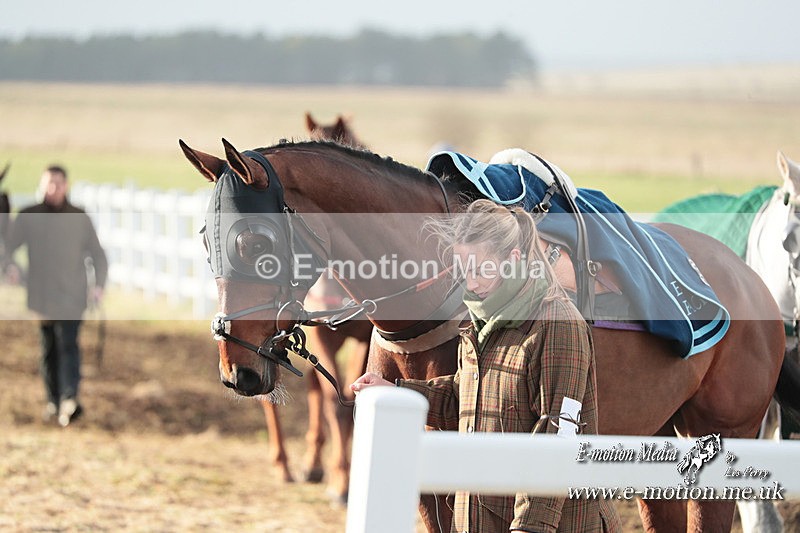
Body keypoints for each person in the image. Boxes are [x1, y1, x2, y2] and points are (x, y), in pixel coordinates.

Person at [351, 199, 620, 533]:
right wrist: (397, 392)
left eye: (481, 270)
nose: (472, 283)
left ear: (513, 259)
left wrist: (530, 527)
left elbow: (559, 432)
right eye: (465, 271)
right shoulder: (480, 319)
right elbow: (464, 398)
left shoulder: (557, 325)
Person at [6, 165, 107, 427]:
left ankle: (69, 398)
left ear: (66, 186)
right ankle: (53, 400)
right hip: (42, 297)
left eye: (58, 184)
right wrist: (11, 268)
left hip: (73, 295)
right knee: (49, 347)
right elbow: (7, 248)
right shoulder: (28, 216)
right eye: (49, 183)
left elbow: (98, 255)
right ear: (41, 185)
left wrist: (98, 286)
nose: (53, 189)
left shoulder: (79, 217)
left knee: (69, 344)